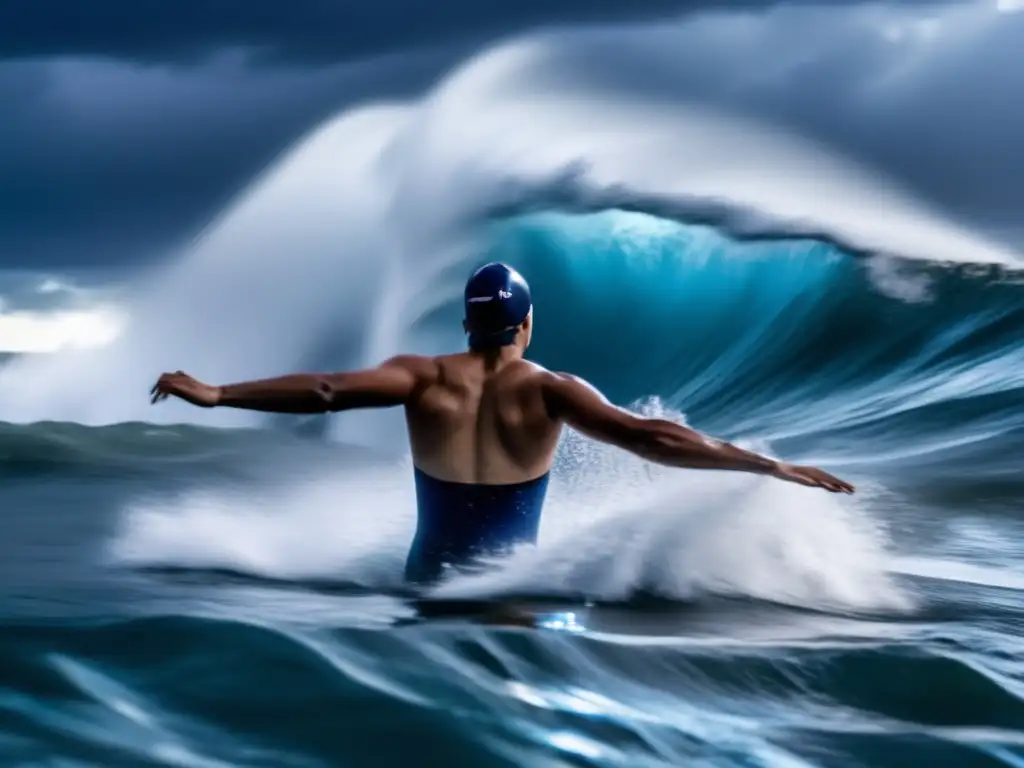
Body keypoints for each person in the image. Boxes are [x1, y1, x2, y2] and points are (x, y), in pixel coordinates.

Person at [151, 262, 854, 583]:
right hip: (515, 605)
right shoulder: (551, 390)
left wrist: (217, 394)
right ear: (525, 323)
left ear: (466, 324)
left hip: (423, 592)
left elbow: (329, 389)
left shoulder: (422, 377)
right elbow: (649, 437)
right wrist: (767, 464)